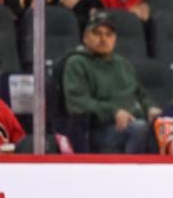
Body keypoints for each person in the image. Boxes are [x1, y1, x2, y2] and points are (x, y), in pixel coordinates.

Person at [61, 13, 153, 153]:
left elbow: (140, 94)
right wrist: (114, 112)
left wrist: (152, 108)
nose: (103, 39)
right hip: (99, 129)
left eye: (109, 34)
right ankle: (131, 172)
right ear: (85, 37)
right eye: (97, 33)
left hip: (133, 120)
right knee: (139, 129)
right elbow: (78, 102)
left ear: (115, 39)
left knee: (165, 129)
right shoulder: (76, 63)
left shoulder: (123, 63)